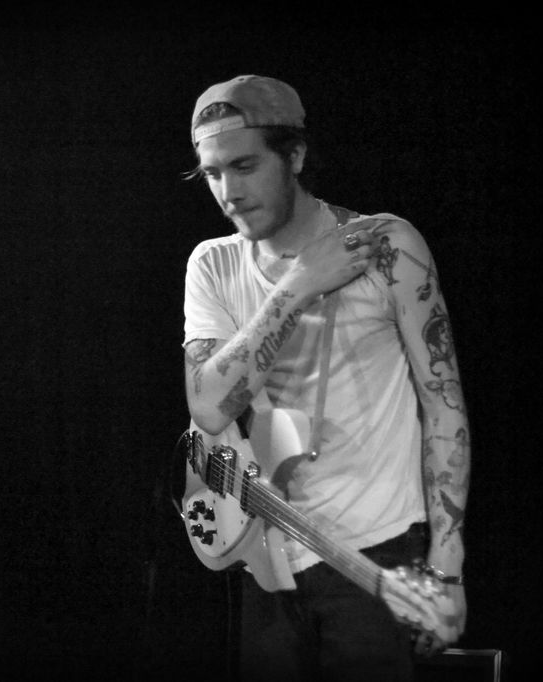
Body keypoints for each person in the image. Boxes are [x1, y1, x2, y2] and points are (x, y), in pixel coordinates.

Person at [181, 75, 469, 681]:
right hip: (267, 550)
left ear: (296, 155)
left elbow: (442, 405)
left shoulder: (386, 244)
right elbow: (208, 408)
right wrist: (296, 285)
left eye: (244, 166)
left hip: (376, 553)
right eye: (211, 174)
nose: (228, 192)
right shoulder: (213, 261)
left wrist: (446, 565)